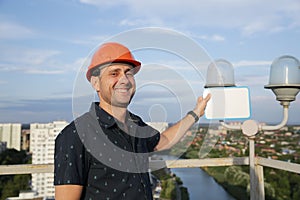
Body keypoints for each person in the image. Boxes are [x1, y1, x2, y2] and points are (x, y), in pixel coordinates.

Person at [54, 42, 211, 200]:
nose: (125, 80)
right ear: (96, 83)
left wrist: (196, 112)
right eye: (114, 73)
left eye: (128, 73)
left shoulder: (135, 124)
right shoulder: (75, 135)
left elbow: (164, 141)